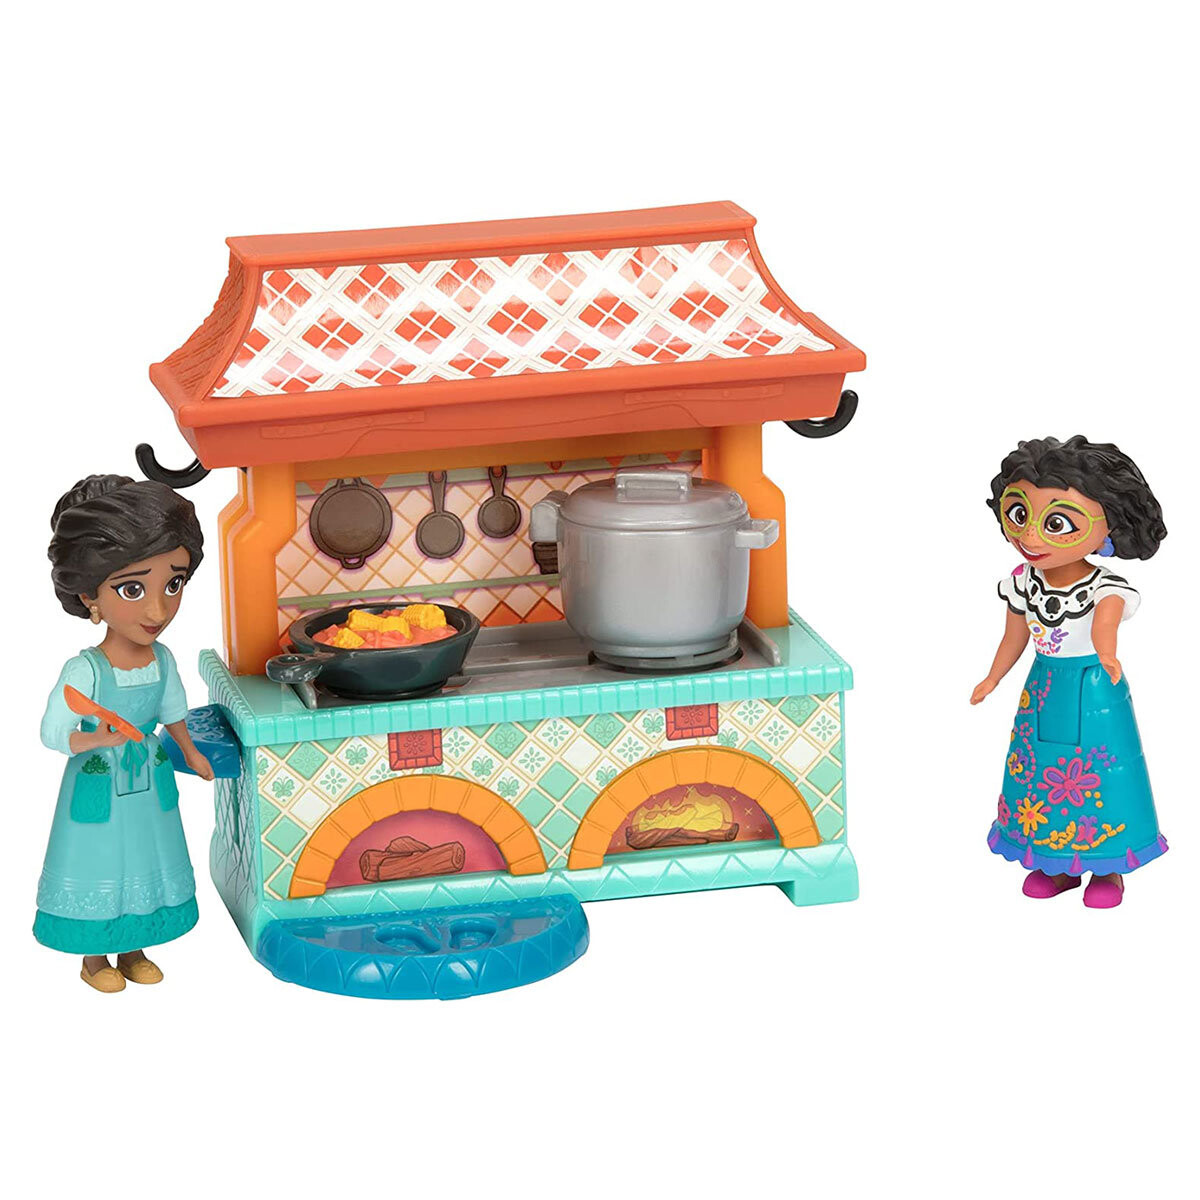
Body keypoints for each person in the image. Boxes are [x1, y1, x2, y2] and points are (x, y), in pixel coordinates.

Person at [971, 436, 1168, 908]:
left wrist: (1108, 656)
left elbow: (1104, 627)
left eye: (1056, 523)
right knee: (1038, 771)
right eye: (1019, 514)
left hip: (1095, 690)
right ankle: (1053, 862)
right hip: (1041, 688)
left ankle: (1107, 868)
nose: (1030, 537)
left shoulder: (1105, 587)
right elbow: (1014, 637)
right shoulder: (1022, 583)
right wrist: (993, 677)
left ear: (1108, 527)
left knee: (1099, 774)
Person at [35, 474, 214, 991]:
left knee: (145, 856)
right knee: (100, 860)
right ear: (89, 595)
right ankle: (94, 959)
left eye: (172, 584)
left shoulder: (162, 659)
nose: (157, 610)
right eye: (132, 589)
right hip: (98, 777)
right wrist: (95, 739)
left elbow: (173, 710)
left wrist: (190, 752)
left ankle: (134, 949)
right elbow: (52, 731)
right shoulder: (85, 670)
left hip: (148, 776)